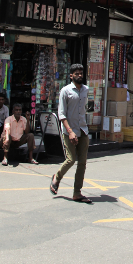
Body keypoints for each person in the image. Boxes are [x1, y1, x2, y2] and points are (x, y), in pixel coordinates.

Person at [50, 64, 91, 203]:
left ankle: (77, 192)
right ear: (71, 76)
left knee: (82, 163)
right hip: (69, 131)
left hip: (83, 130)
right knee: (71, 159)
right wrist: (70, 131)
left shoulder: (86, 90)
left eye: (81, 73)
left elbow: (87, 107)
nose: (80, 75)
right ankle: (57, 177)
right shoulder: (65, 91)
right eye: (77, 73)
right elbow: (61, 114)